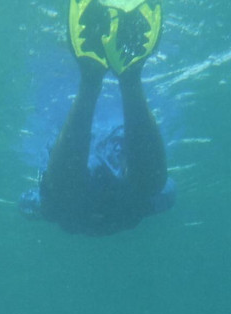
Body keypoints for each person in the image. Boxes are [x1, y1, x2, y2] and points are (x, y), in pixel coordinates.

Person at [26, 0, 171, 235]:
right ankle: (121, 79)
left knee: (60, 195)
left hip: (98, 205)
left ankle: (105, 80)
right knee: (151, 187)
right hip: (126, 202)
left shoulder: (58, 209)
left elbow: (27, 203)